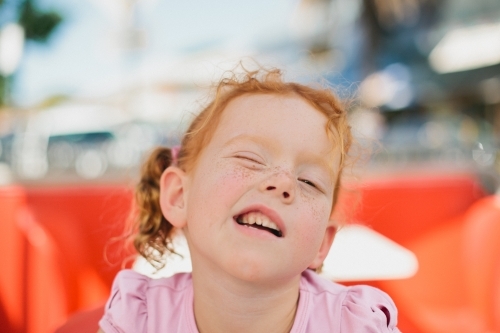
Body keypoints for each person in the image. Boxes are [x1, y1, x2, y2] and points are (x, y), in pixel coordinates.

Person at [98, 67, 401, 332]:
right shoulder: (140, 319)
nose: (283, 183)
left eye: (309, 181)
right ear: (179, 196)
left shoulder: (354, 326)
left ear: (322, 243)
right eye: (250, 159)